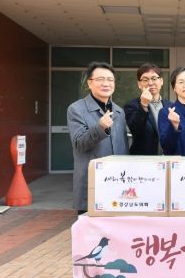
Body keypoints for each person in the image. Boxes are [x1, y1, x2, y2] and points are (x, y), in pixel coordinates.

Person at [67, 62, 129, 212]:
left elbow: (123, 147)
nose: (106, 83)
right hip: (92, 183)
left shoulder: (119, 111)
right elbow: (79, 143)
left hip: (117, 183)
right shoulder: (76, 109)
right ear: (90, 83)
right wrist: (100, 127)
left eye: (110, 79)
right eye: (100, 79)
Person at [124, 63, 171, 155]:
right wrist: (143, 105)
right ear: (139, 84)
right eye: (145, 80)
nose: (150, 83)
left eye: (154, 78)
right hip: (143, 160)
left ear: (161, 81)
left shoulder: (171, 106)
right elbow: (135, 129)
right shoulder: (131, 106)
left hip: (167, 159)